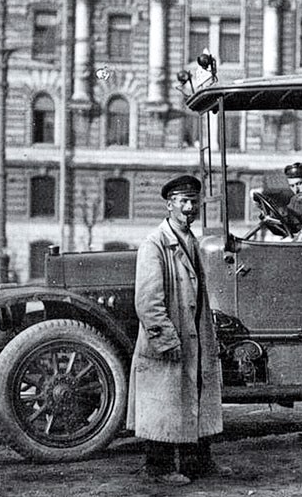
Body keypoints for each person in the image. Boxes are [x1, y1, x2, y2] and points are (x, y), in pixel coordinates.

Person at [127, 175, 231, 485]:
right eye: (182, 202)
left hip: (193, 336)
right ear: (169, 205)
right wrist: (166, 339)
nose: (189, 208)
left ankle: (197, 462)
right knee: (163, 402)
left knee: (193, 396)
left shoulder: (191, 241)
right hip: (169, 338)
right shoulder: (155, 243)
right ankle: (157, 468)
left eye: (193, 202)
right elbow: (147, 301)